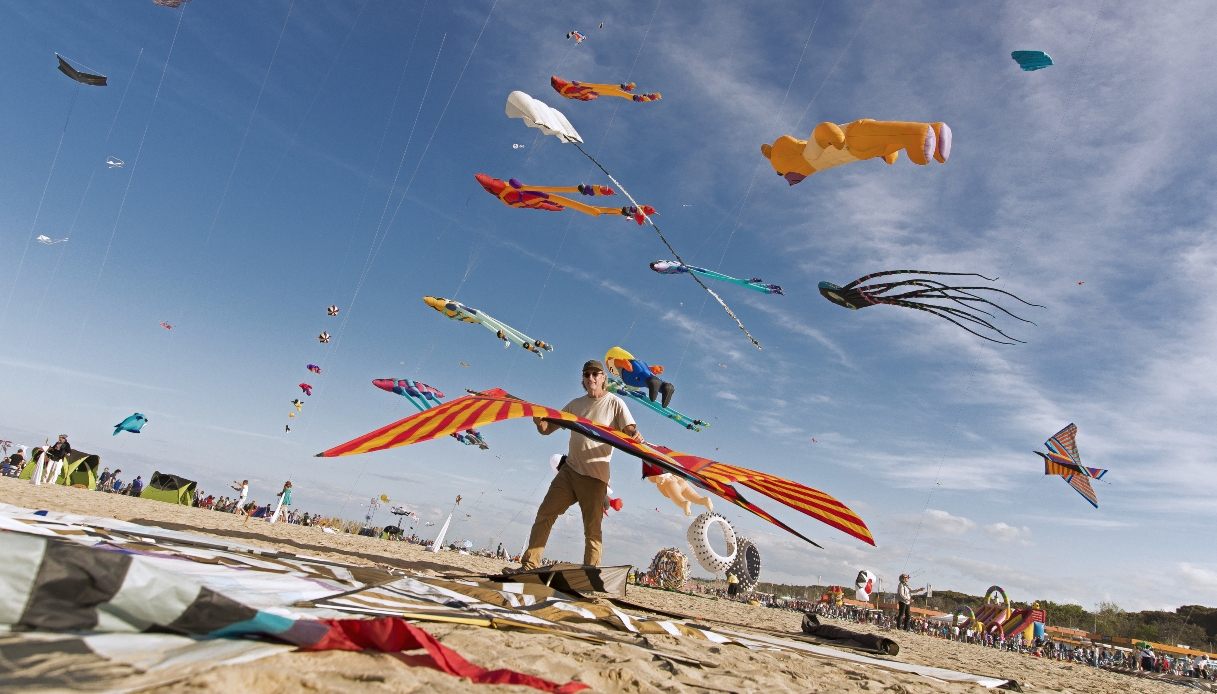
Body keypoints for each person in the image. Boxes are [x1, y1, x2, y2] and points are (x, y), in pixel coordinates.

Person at [517, 359, 638, 571]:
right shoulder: (575, 405)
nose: (590, 377)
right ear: (583, 379)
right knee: (545, 513)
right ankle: (529, 565)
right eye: (586, 374)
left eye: (595, 374)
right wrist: (537, 419)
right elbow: (547, 429)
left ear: (603, 378)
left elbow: (630, 430)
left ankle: (589, 576)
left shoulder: (615, 403)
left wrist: (633, 434)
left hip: (595, 476)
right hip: (570, 471)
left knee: (592, 530)